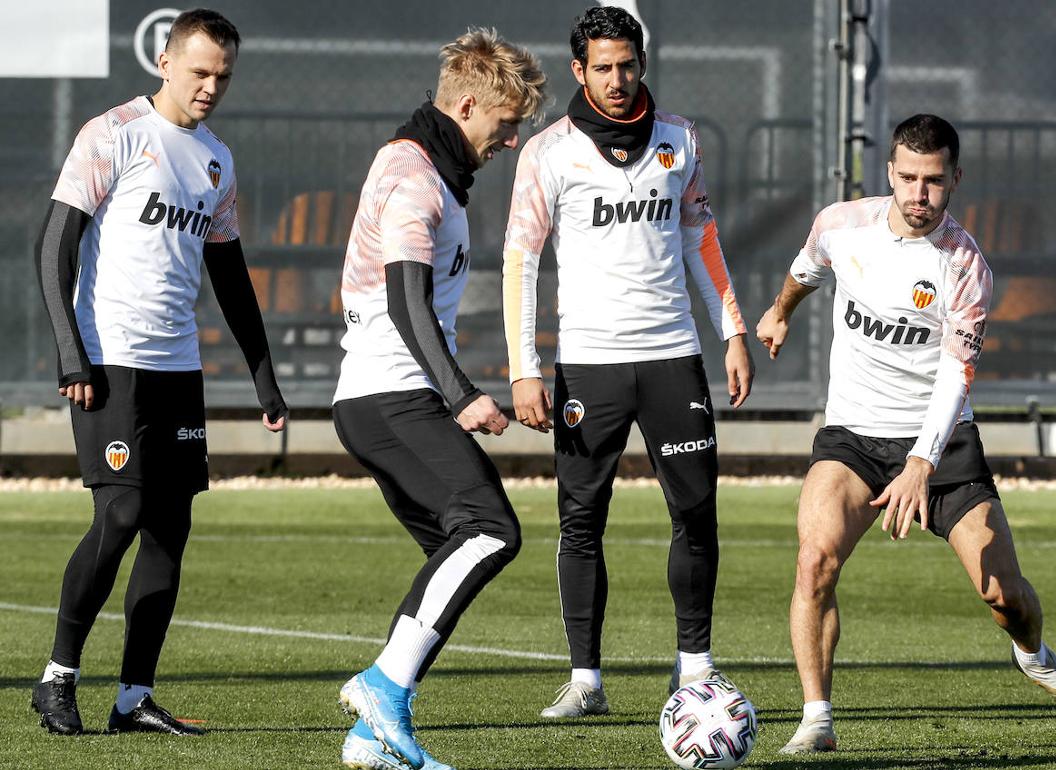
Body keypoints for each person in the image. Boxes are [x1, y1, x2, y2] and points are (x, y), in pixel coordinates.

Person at [755, 114, 1056, 754]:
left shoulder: (965, 264)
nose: (919, 194)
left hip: (941, 445)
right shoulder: (842, 225)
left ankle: (1032, 655)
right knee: (814, 561)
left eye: (934, 181)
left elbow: (956, 374)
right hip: (853, 437)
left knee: (1004, 596)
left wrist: (922, 461)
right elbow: (806, 269)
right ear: (889, 173)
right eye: (908, 178)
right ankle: (817, 720)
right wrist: (779, 312)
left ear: (955, 180)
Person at [30, 8, 287, 738]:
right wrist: (69, 351)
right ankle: (56, 681)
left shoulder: (217, 160)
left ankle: (132, 697)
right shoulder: (113, 134)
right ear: (166, 62)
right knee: (120, 512)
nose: (210, 87)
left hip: (177, 364)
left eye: (223, 76)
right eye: (200, 71)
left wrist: (263, 373)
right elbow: (53, 245)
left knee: (170, 527)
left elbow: (229, 272)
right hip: (109, 357)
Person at [502, 5, 754, 719]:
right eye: (602, 68)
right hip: (589, 364)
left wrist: (731, 330)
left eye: (628, 65)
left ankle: (695, 672)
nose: (617, 80)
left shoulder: (680, 138)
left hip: (674, 358)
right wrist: (525, 367)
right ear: (578, 71)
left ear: (643, 65)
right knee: (581, 520)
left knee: (696, 513)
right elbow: (519, 261)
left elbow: (700, 235)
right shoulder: (547, 152)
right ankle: (586, 681)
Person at [331, 28, 547, 770]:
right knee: (491, 531)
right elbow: (404, 300)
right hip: (393, 398)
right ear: (465, 105)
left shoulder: (435, 171)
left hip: (386, 397)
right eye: (506, 123)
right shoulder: (414, 176)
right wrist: (460, 396)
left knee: (457, 551)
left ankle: (373, 739)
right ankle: (381, 688)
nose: (512, 140)